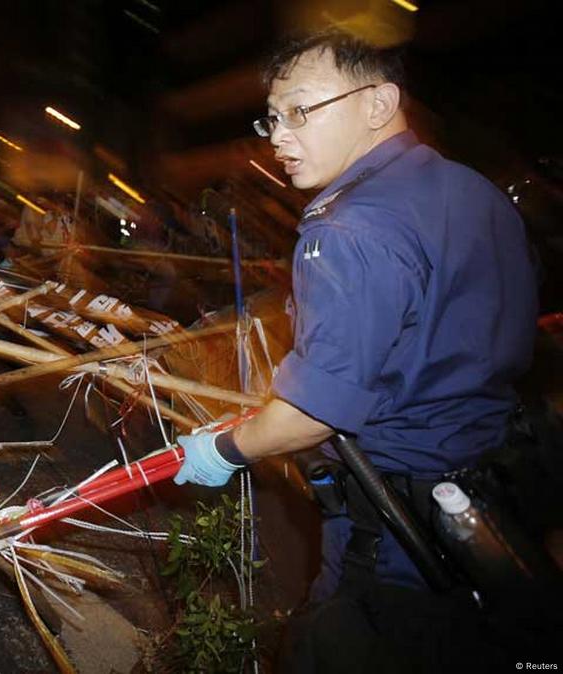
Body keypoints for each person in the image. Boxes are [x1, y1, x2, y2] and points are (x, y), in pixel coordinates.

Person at [172, 29, 540, 669]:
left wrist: (223, 449)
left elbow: (315, 414)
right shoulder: (472, 192)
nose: (279, 137)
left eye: (301, 111)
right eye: (273, 117)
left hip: (397, 527)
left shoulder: (347, 226)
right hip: (496, 492)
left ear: (378, 103)